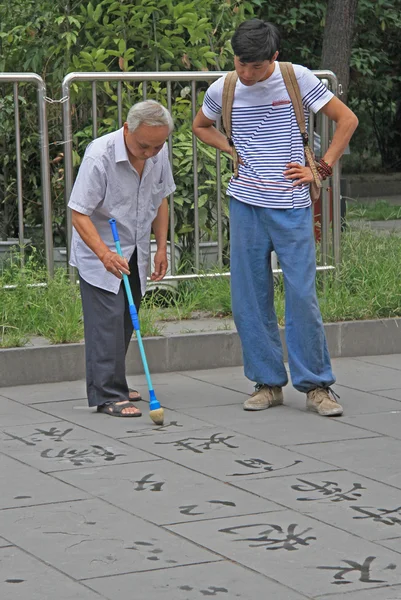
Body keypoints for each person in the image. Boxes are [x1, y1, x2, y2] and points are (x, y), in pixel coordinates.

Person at [193, 19, 358, 416]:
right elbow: (200, 126)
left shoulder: (295, 78)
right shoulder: (225, 87)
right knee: (249, 297)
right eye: (240, 64)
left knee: (301, 295)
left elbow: (346, 119)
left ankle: (317, 385)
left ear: (275, 58)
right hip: (245, 204)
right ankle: (267, 382)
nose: (247, 74)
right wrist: (230, 150)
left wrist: (320, 167)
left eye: (256, 67)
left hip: (291, 204)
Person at [68, 100, 175, 417]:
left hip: (136, 248)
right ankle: (107, 394)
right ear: (127, 129)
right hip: (101, 250)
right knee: (107, 321)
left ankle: (114, 381)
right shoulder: (99, 156)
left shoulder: (157, 151)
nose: (151, 153)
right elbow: (79, 213)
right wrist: (103, 254)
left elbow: (161, 199)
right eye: (144, 145)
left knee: (128, 317)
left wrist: (161, 247)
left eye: (158, 146)